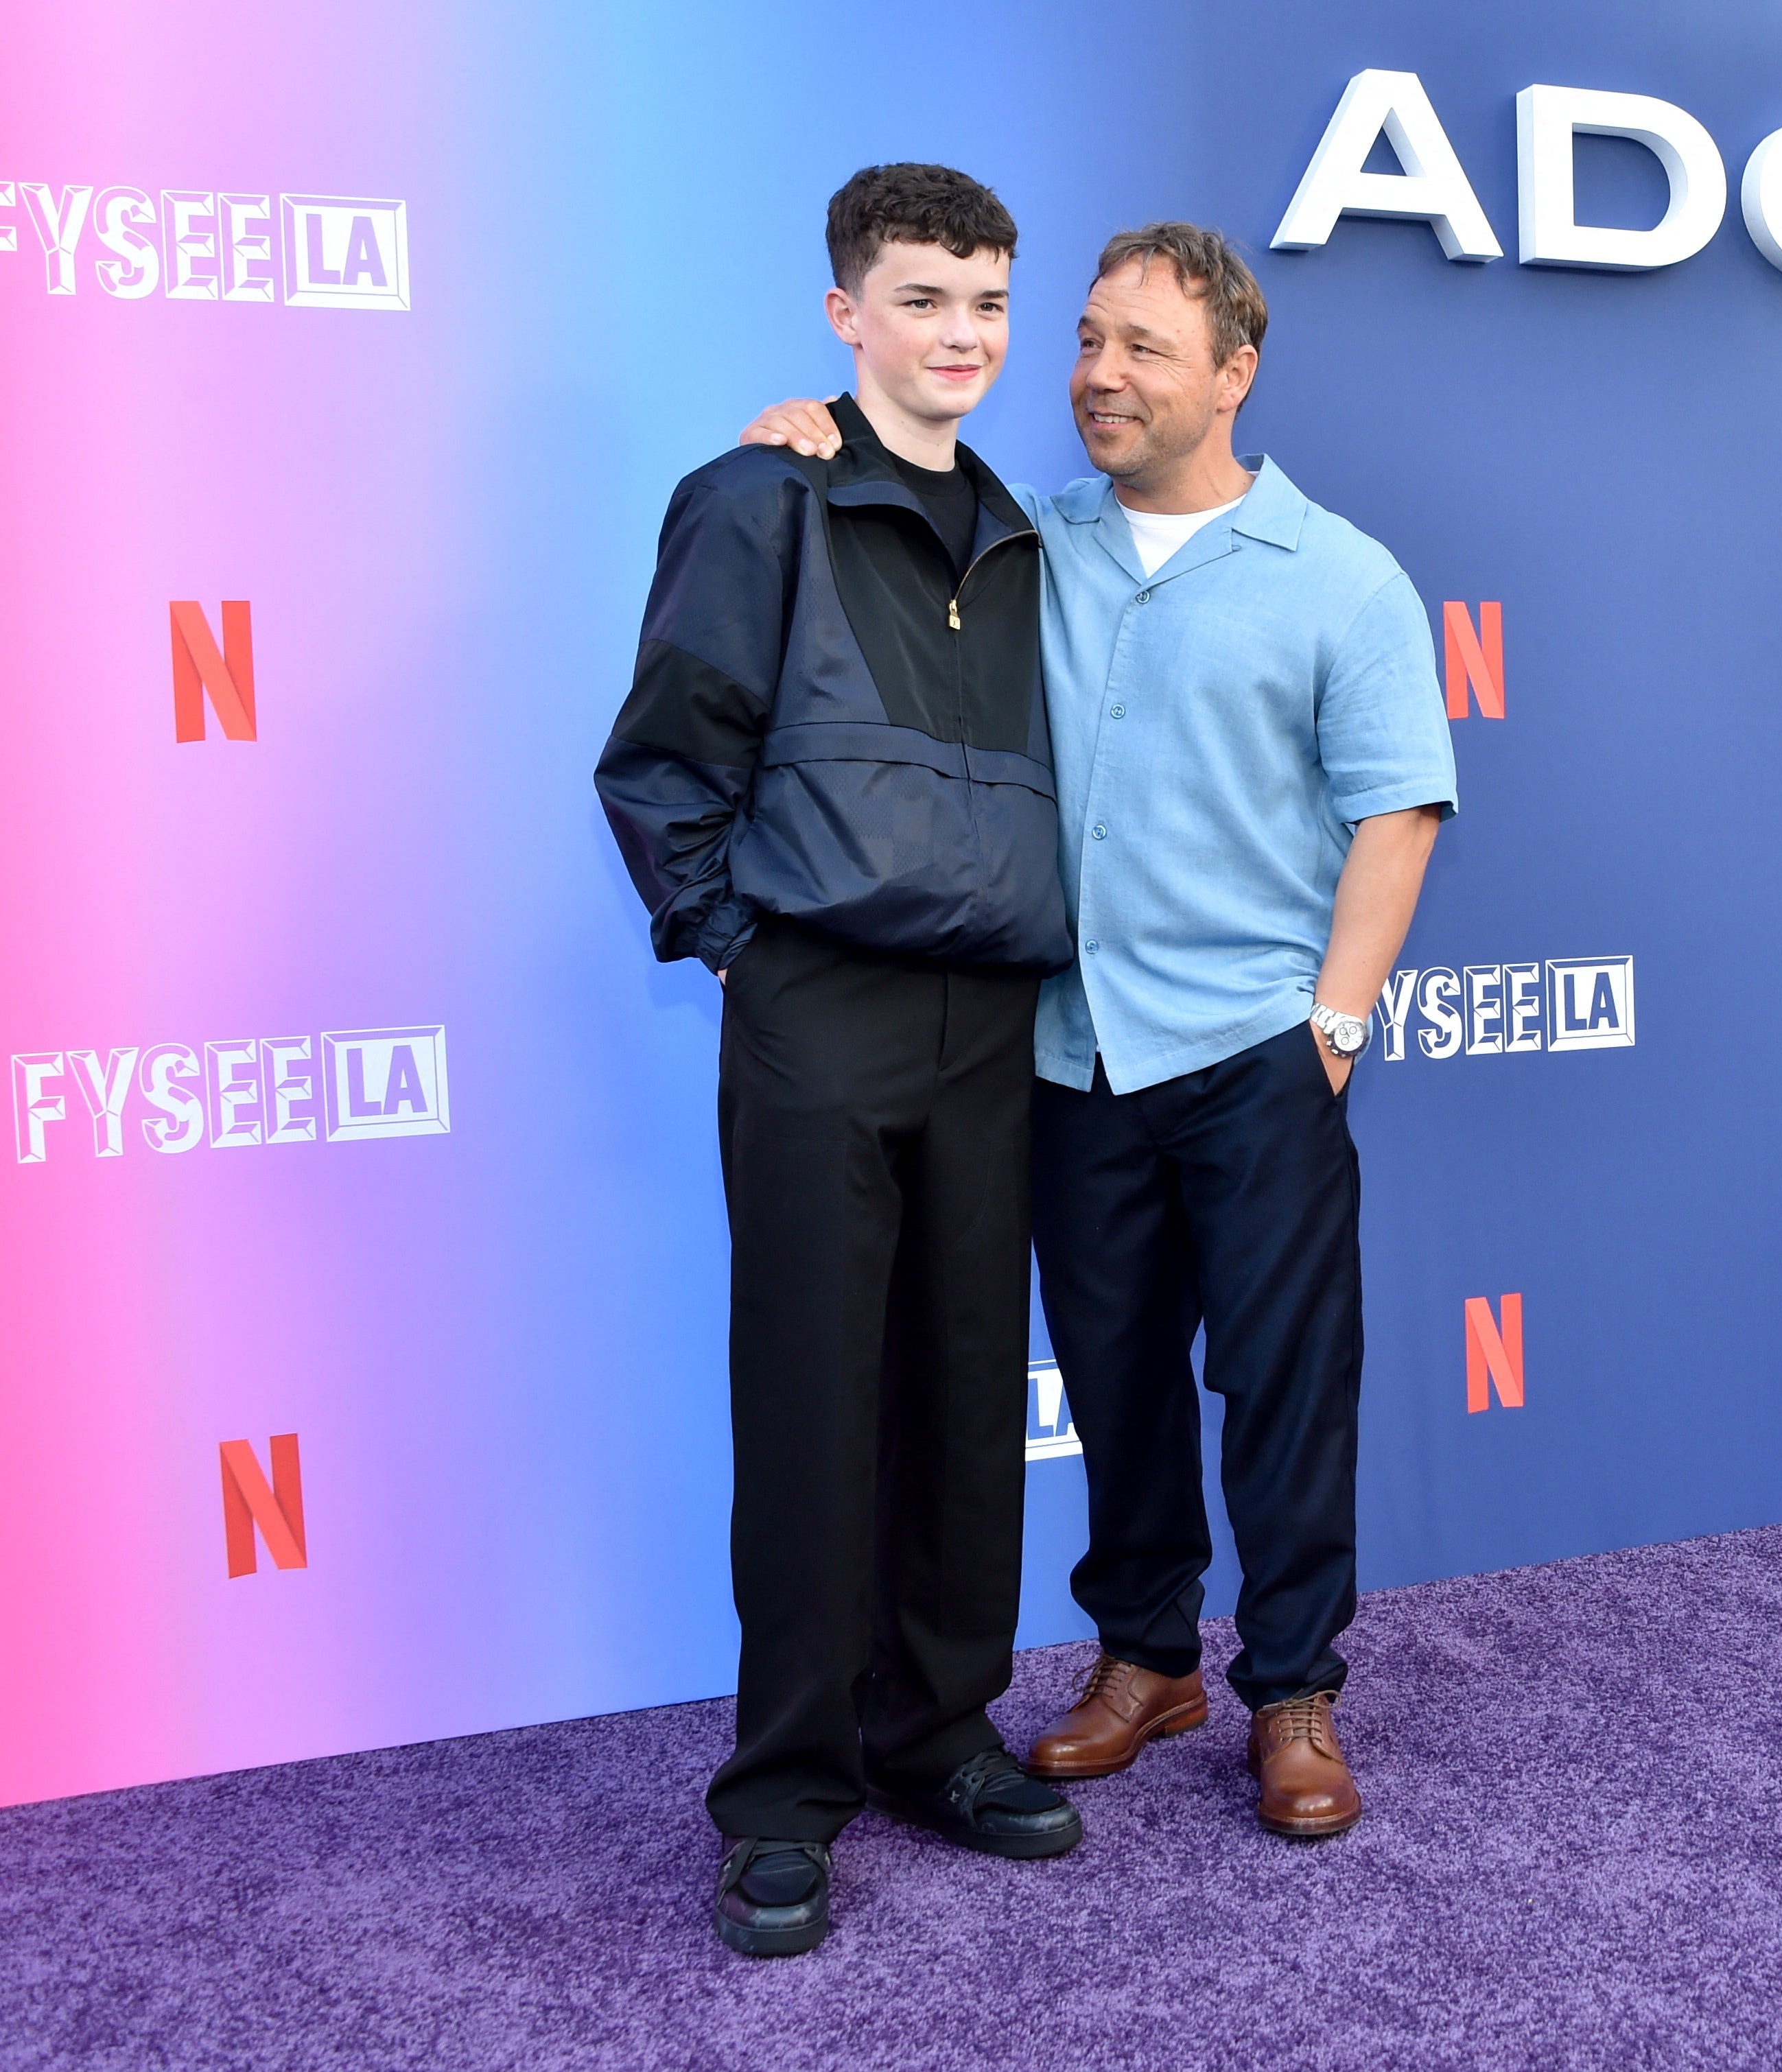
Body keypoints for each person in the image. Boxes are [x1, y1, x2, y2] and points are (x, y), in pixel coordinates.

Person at [743, 222, 1457, 1839]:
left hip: (1256, 1049)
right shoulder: (1020, 539)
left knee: (1281, 1385)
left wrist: (1331, 1029)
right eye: (1085, 341)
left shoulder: (1340, 574)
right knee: (1118, 1381)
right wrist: (807, 434)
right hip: (1064, 1057)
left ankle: (1292, 1688)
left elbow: (1398, 813)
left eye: (1143, 347)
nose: (1097, 377)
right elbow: (879, 495)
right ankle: (1148, 1659)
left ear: (1234, 373)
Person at [596, 163, 1082, 1961]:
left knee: (965, 1392)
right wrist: (751, 955)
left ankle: (934, 1732)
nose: (959, 337)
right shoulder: (758, 497)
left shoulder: (1026, 530)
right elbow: (660, 765)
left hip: (994, 1023)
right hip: (819, 1009)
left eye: (985, 304)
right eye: (922, 300)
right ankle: (785, 1791)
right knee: (813, 1401)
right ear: (843, 314)